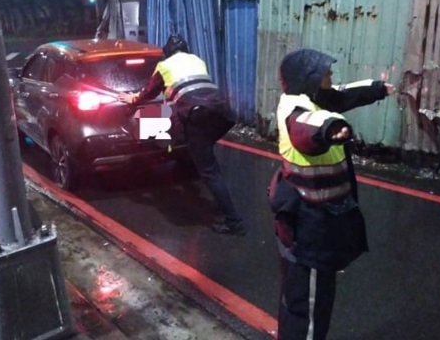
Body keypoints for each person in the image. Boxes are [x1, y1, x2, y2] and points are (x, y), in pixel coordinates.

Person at [268, 48, 395, 339]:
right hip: (310, 227)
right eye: (326, 74)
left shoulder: (313, 96)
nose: (331, 77)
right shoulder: (296, 109)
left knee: (296, 297)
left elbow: (342, 94)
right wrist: (330, 128)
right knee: (310, 307)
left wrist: (377, 89)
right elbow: (306, 128)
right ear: (308, 78)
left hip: (304, 220)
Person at [119, 34, 246, 236]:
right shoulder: (197, 60)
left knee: (208, 170)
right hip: (222, 113)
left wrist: (132, 100)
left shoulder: (164, 66)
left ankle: (233, 221)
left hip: (196, 113)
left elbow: (148, 93)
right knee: (206, 158)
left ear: (167, 52)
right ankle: (187, 149)